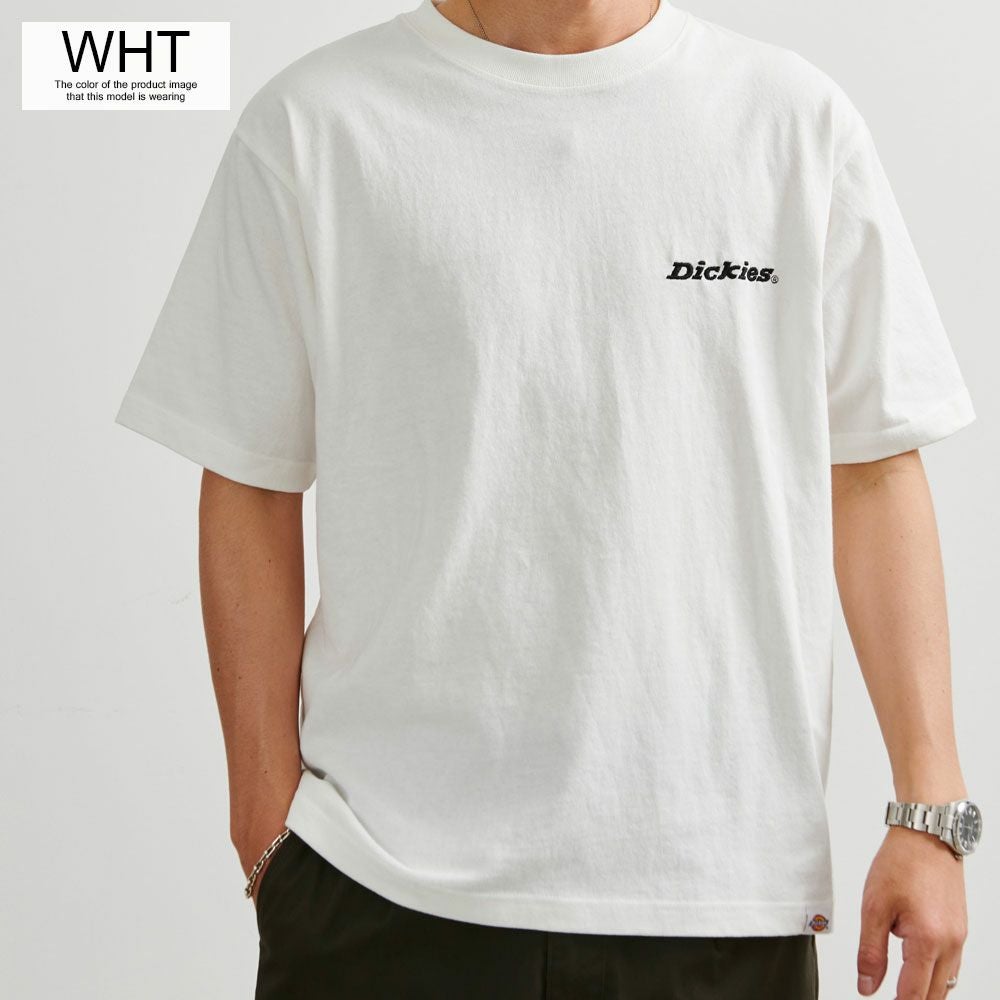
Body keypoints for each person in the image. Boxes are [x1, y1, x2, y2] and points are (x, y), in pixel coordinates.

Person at [114, 1, 982, 997]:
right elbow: (248, 478)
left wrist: (931, 811)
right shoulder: (316, 124)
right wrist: (265, 830)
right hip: (378, 884)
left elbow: (873, 468)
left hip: (716, 895)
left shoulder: (790, 121)